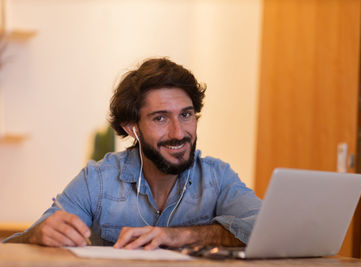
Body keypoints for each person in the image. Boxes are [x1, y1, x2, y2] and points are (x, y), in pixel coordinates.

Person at [4, 58, 261, 249]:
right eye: (160, 118)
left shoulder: (218, 177)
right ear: (133, 128)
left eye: (186, 114)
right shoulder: (97, 180)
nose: (179, 132)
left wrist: (181, 235)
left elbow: (265, 229)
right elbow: (14, 247)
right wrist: (37, 236)